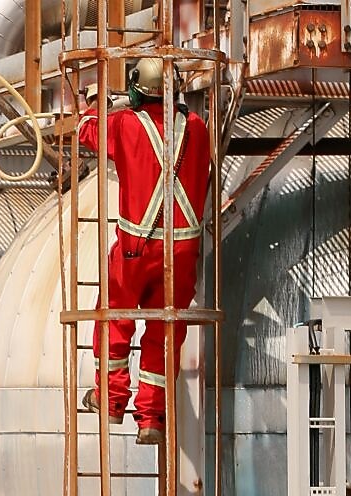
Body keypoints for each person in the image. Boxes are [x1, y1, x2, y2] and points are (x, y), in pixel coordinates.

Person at [77, 57, 212, 445]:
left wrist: (95, 102)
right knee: (165, 329)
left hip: (137, 248)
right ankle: (151, 417)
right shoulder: (198, 129)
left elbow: (88, 131)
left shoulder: (125, 124)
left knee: (115, 318)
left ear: (137, 87)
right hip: (183, 252)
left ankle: (112, 400)